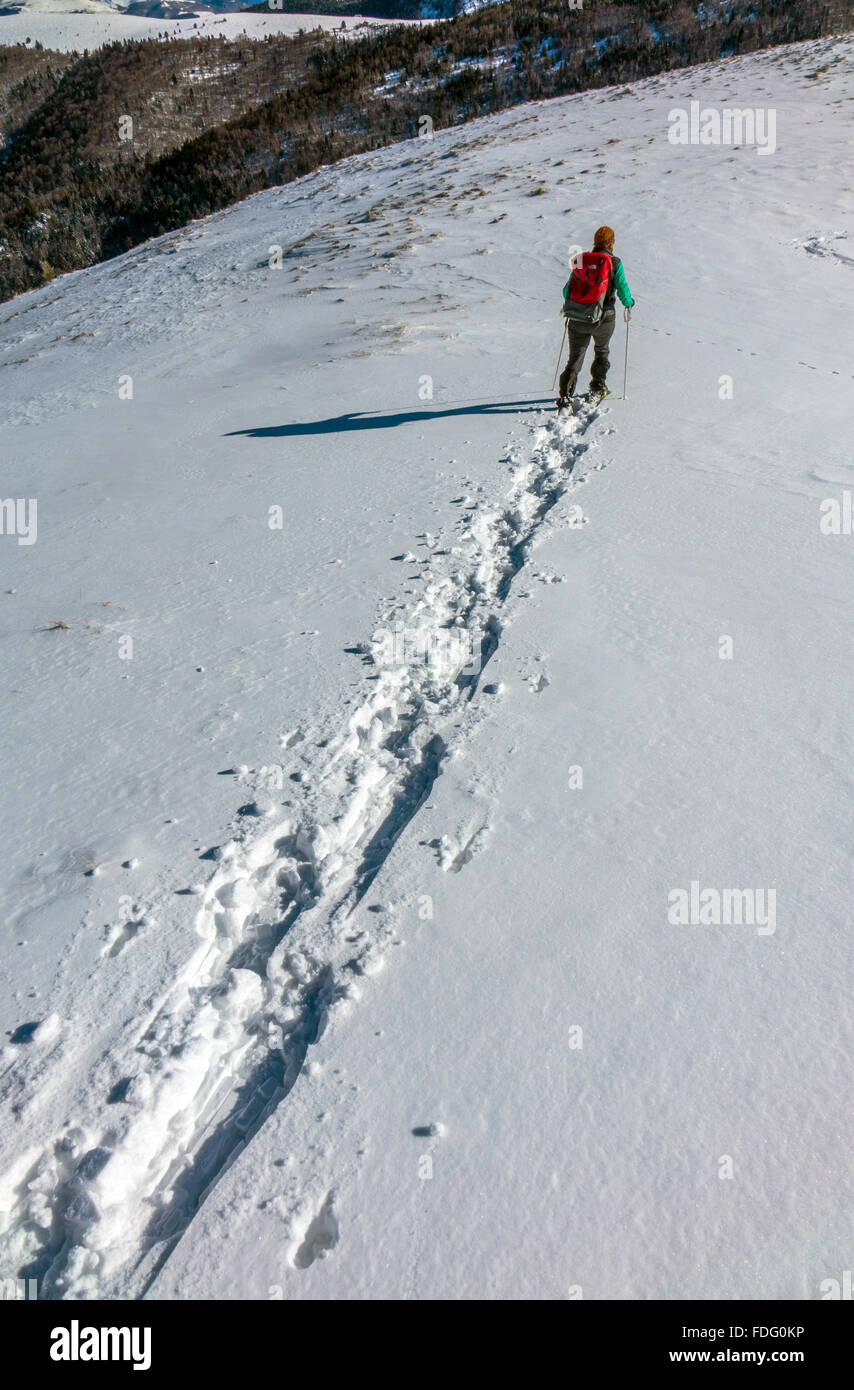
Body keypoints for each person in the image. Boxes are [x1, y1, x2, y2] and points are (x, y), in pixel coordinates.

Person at [558, 226, 634, 407]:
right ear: (612, 241)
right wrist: (629, 303)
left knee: (575, 357)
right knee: (602, 350)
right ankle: (597, 388)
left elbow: (566, 291)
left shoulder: (581, 261)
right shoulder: (614, 262)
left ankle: (565, 395)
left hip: (577, 317)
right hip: (604, 318)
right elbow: (623, 289)